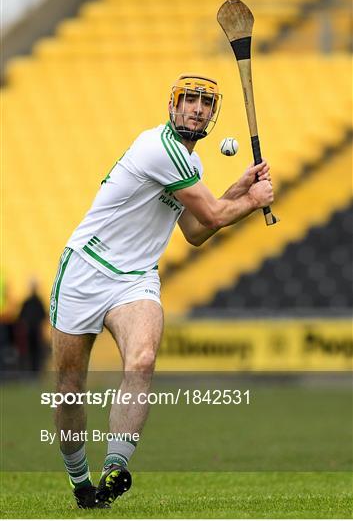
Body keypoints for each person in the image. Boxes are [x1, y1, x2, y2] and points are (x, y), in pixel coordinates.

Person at [49, 74, 273, 509]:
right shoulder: (158, 148)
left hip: (135, 278)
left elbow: (193, 231)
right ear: (172, 107)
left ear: (212, 116)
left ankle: (116, 465)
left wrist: (240, 191)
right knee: (70, 388)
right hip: (84, 269)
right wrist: (252, 200)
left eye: (205, 105)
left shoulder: (191, 166)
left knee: (144, 359)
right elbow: (210, 215)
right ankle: (80, 482)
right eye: (189, 101)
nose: (196, 109)